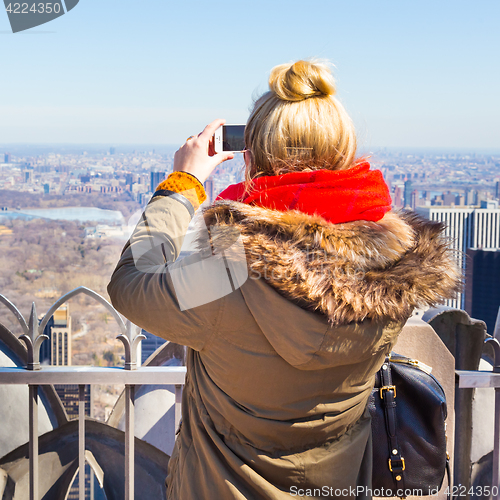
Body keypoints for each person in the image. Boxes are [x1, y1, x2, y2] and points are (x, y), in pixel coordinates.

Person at [108, 60, 461, 499]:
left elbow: (131, 281)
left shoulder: (228, 277)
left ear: (254, 159)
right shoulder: (393, 271)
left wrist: (184, 181)